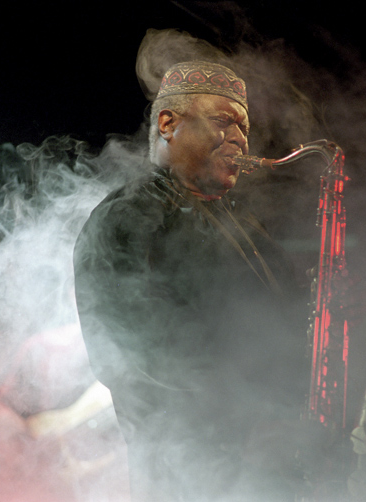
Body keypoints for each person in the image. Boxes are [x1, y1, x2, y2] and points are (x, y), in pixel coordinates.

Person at [73, 60, 312, 501]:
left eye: (245, 128)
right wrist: (250, 422)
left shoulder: (243, 226)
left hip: (267, 463)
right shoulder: (127, 216)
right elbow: (132, 351)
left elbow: (278, 327)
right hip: (189, 474)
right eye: (226, 121)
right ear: (168, 123)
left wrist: (319, 312)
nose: (241, 138)